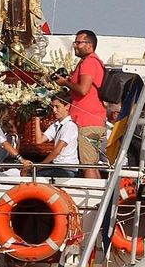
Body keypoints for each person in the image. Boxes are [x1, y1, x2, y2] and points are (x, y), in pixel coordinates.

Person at [67, 30, 107, 178]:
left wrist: (65, 82)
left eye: (79, 43)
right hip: (94, 120)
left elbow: (83, 89)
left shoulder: (89, 62)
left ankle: (92, 196)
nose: (75, 46)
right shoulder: (92, 62)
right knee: (92, 163)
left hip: (87, 121)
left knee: (88, 164)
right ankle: (98, 196)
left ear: (90, 45)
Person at [36, 94, 80, 179]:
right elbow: (39, 140)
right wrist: (37, 119)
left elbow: (56, 151)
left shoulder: (70, 126)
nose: (54, 110)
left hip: (67, 168)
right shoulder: (56, 125)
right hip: (57, 166)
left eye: (57, 107)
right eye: (53, 107)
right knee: (33, 173)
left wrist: (40, 165)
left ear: (67, 106)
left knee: (36, 175)